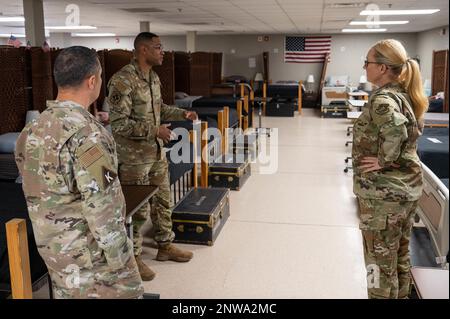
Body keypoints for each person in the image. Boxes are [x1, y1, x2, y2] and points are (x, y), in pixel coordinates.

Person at [14, 46, 143, 299]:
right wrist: (122, 261)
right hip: (93, 262)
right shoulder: (87, 135)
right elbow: (103, 205)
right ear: (92, 81)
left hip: (55, 254)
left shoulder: (31, 131)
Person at [107, 32, 198, 281]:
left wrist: (182, 113)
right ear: (143, 50)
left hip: (156, 153)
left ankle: (165, 246)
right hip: (134, 159)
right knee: (138, 211)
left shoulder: (153, 77)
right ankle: (133, 257)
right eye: (158, 47)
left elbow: (159, 109)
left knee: (162, 201)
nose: (163, 52)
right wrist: (154, 130)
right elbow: (118, 124)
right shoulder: (122, 81)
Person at [352, 39, 428, 299]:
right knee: (399, 257)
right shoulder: (403, 94)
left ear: (383, 68)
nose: (365, 67)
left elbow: (396, 129)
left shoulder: (383, 99)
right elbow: (411, 128)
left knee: (378, 265)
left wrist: (383, 161)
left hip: (384, 197)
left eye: (368, 62)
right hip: (405, 191)